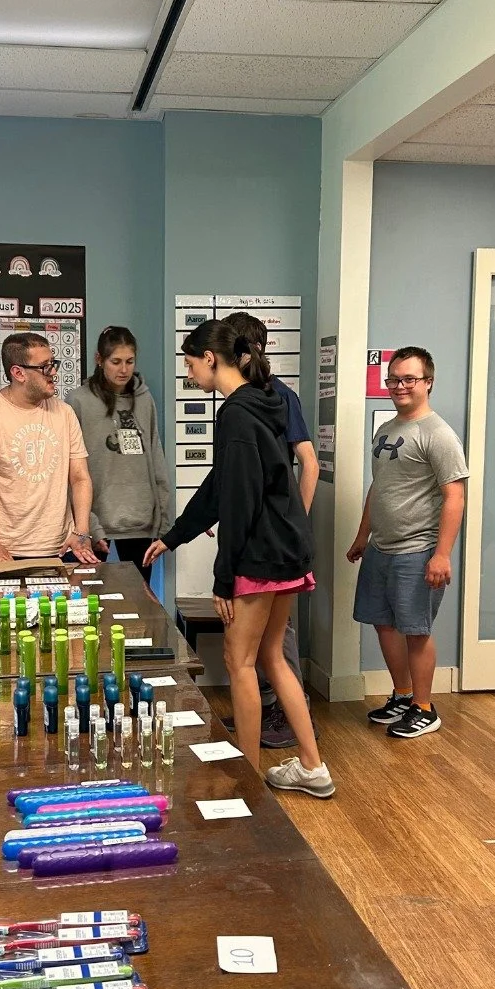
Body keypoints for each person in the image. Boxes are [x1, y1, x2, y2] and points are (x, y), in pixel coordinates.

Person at [144, 318, 334, 798]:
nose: (188, 373)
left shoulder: (236, 412)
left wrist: (224, 579)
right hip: (289, 549)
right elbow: (223, 482)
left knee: (239, 659)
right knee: (271, 656)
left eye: (189, 362)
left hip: (261, 554)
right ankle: (312, 767)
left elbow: (240, 499)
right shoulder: (267, 399)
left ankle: (247, 780)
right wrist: (176, 535)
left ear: (210, 358)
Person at [347, 346, 468, 739]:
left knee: (416, 629)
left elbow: (455, 496)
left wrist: (442, 554)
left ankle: (424, 706)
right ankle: (401, 694)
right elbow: (379, 488)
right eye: (394, 379)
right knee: (383, 624)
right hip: (382, 547)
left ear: (428, 382)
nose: (400, 386)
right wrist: (363, 536)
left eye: (409, 379)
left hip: (418, 550)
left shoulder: (439, 434)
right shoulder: (386, 429)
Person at [222, 310, 319, 746]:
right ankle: (256, 714)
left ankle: (284, 718)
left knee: (276, 644)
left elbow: (310, 463)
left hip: (274, 544)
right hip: (256, 534)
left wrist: (290, 524)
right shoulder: (242, 398)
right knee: (253, 651)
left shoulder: (279, 396)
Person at [0, 331, 99, 563]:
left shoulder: (64, 413)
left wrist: (81, 531)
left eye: (53, 364)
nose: (53, 372)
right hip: (6, 551)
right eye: (44, 367)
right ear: (18, 373)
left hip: (62, 548)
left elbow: (80, 477)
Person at [65, 326, 170, 584]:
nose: (123, 369)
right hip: (94, 521)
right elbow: (71, 472)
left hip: (140, 520)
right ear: (99, 360)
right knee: (87, 600)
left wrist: (165, 521)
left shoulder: (145, 400)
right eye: (116, 362)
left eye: (130, 362)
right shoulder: (77, 401)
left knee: (138, 605)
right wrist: (88, 524)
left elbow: (156, 457)